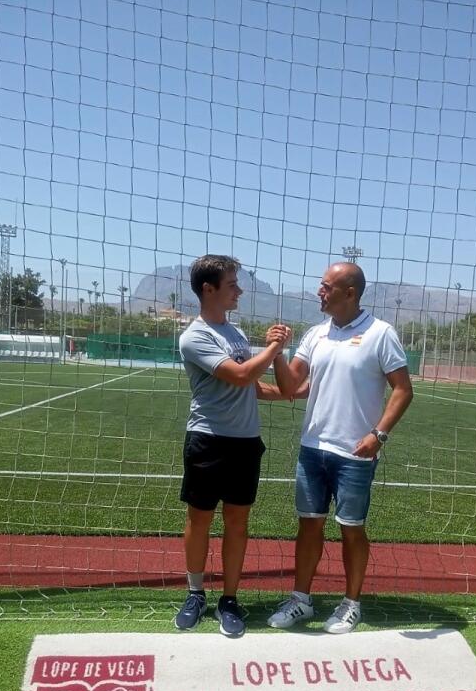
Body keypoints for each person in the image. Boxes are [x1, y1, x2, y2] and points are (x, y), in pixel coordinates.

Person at [267, 261, 413, 634]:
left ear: (350, 293)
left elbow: (403, 389)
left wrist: (378, 434)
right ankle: (301, 601)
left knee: (352, 529)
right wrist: (277, 353)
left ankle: (351, 604)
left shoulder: (381, 334)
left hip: (355, 454)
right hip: (312, 449)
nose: (320, 291)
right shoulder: (315, 335)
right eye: (321, 284)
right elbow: (290, 387)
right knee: (308, 526)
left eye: (326, 285)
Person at [175, 254, 290, 638]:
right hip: (208, 441)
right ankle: (195, 593)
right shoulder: (195, 336)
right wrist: (273, 348)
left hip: (245, 444)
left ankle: (229, 599)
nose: (239, 290)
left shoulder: (236, 334)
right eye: (232, 285)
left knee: (238, 524)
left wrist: (296, 392)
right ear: (208, 290)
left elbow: (253, 387)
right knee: (200, 519)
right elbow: (240, 375)